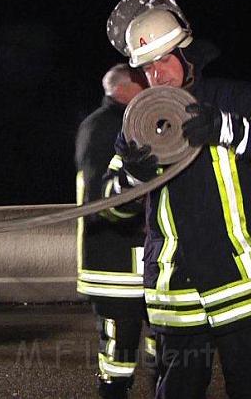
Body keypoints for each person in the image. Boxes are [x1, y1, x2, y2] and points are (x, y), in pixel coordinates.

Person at [103, 0, 251, 399]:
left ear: (186, 54)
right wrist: (133, 175)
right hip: (176, 297)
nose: (158, 75)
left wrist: (226, 129)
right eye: (148, 68)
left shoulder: (239, 99)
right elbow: (111, 207)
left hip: (246, 290)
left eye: (164, 60)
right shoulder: (142, 122)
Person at [75, 63, 153, 398]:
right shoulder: (109, 125)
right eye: (144, 82)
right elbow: (107, 198)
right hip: (117, 267)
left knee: (161, 352)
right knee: (119, 360)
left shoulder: (100, 123)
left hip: (133, 265)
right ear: (127, 87)